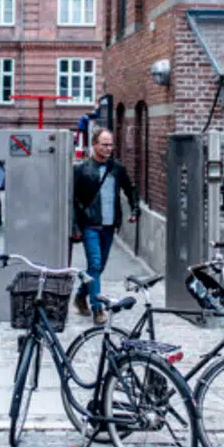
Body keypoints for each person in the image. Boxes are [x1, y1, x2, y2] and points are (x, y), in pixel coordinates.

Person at [71, 127, 137, 324]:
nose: (109, 148)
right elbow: (72, 200)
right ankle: (97, 308)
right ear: (94, 145)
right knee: (95, 264)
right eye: (104, 144)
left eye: (111, 145)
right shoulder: (82, 170)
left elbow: (130, 190)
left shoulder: (117, 169)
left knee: (98, 268)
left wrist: (135, 210)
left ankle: (81, 295)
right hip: (90, 224)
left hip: (110, 226)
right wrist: (75, 226)